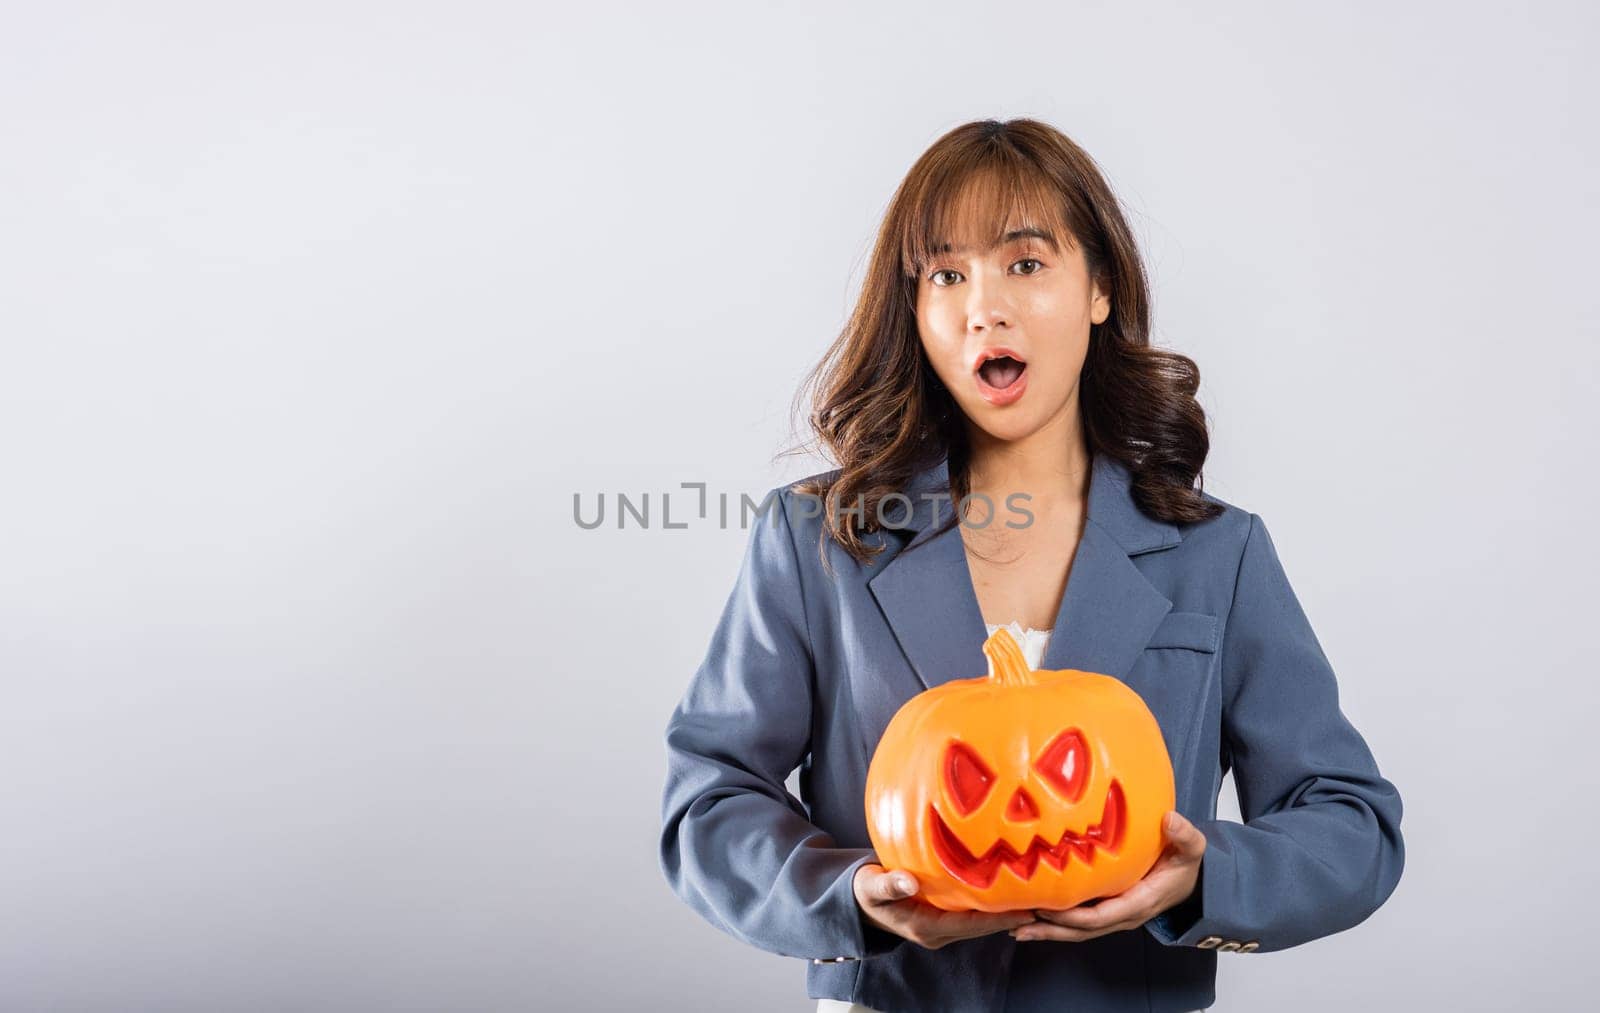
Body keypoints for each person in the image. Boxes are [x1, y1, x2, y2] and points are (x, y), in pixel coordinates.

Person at [658, 118, 1405, 1012]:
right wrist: (851, 893)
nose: (985, 305)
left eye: (1024, 263)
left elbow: (1353, 824)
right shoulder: (817, 537)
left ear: (1099, 288)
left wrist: (1203, 876)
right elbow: (707, 800)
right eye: (946, 274)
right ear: (919, 310)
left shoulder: (1218, 553)